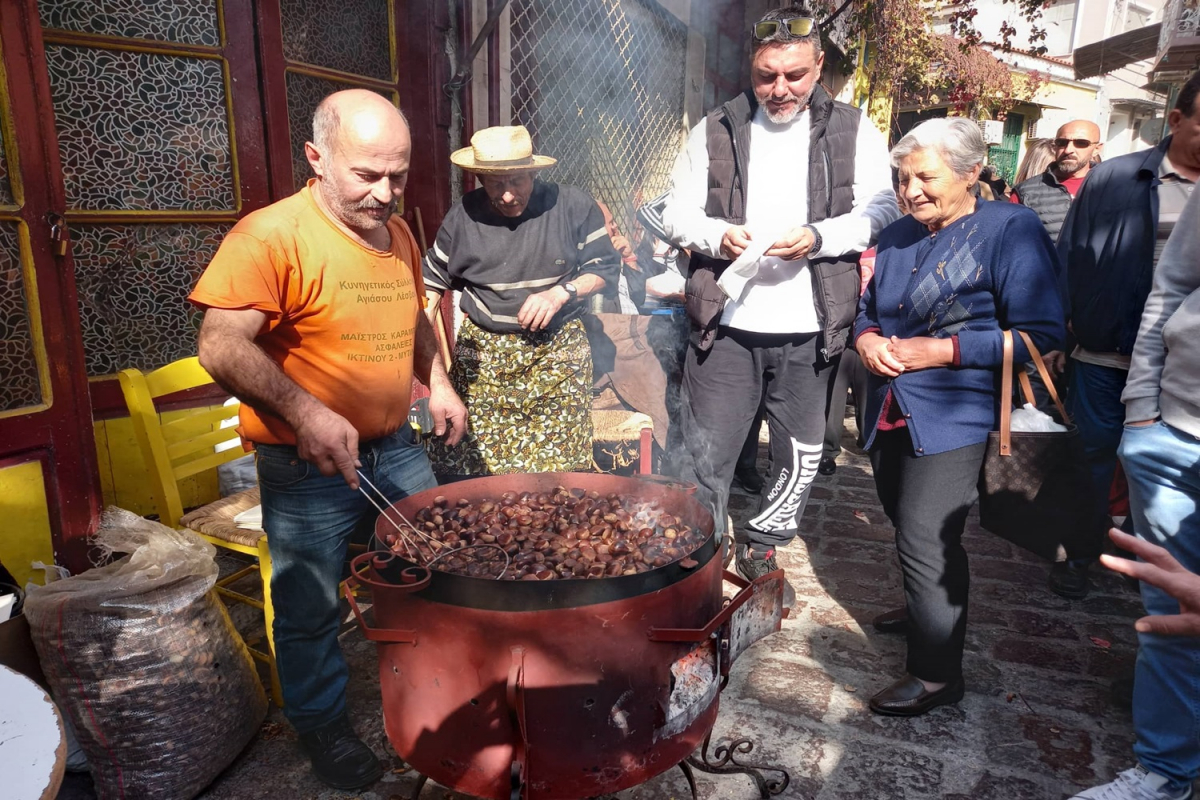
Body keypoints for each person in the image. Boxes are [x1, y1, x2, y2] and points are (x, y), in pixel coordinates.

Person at [190, 89, 467, 790]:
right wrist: (306, 413)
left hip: (394, 445)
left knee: (438, 569)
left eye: (398, 176)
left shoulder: (398, 232)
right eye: (367, 175)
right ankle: (321, 725)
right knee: (310, 605)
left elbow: (413, 323)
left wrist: (437, 382)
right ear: (317, 159)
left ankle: (439, 695)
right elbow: (220, 346)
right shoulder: (271, 236)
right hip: (304, 463)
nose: (385, 193)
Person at [661, 5, 898, 605]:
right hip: (727, 324)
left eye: (794, 74)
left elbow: (881, 210)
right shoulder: (714, 128)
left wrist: (821, 238)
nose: (780, 89)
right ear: (753, 67)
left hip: (811, 325)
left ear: (819, 66)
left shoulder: (854, 130)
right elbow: (675, 211)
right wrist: (717, 236)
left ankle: (764, 540)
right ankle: (701, 553)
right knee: (706, 448)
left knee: (799, 449)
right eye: (768, 75)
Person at [856, 117, 1064, 716]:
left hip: (958, 411)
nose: (911, 190)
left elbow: (1041, 334)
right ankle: (927, 608)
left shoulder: (1009, 229)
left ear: (973, 171)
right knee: (901, 514)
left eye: (926, 177)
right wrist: (868, 340)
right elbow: (869, 307)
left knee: (927, 531)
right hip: (892, 405)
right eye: (903, 178)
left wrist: (943, 350)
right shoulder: (897, 235)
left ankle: (937, 674)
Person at [1072, 185, 1200, 800]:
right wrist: (1144, 410)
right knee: (1171, 613)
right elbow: (1171, 287)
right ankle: (1165, 771)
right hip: (1173, 430)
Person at [1053, 71, 1200, 599]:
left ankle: (1157, 566)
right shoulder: (1114, 178)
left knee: (1169, 475)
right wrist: (1066, 326)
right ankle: (1078, 554)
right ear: (1177, 119)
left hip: (1183, 368)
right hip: (1105, 353)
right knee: (1094, 457)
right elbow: (1070, 256)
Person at [422, 125, 619, 477]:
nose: (508, 195)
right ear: (480, 178)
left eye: (518, 181)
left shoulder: (572, 205)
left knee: (558, 475)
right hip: (484, 360)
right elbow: (431, 285)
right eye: (497, 184)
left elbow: (605, 268)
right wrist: (424, 360)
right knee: (473, 469)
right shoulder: (463, 216)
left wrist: (563, 292)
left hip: (556, 356)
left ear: (533, 172)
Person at [819, 248, 875, 475]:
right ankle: (828, 449)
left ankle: (870, 440)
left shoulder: (886, 247)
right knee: (833, 393)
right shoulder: (842, 248)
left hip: (872, 332)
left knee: (869, 392)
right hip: (841, 329)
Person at [1010, 120, 1102, 240]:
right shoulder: (1025, 192)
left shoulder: (1113, 188)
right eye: (1062, 142)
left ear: (1097, 149)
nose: (1068, 150)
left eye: (1081, 143)